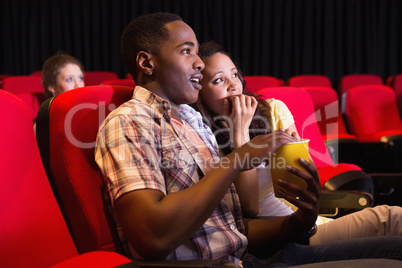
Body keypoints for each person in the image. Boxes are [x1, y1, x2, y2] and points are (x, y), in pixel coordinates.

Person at [95, 12, 402, 267]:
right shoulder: (129, 121)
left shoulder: (191, 123)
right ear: (147, 63)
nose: (199, 63)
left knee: (395, 243)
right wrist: (239, 158)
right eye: (187, 50)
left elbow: (234, 230)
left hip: (250, 256)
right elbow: (153, 238)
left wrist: (298, 222)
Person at [194, 40, 402, 246]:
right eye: (219, 80)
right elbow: (250, 208)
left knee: (393, 225)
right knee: (389, 218)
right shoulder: (200, 136)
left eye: (234, 75)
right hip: (281, 236)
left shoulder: (273, 111)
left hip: (309, 223)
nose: (233, 85)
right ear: (200, 93)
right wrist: (239, 133)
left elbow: (303, 183)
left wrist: (290, 153)